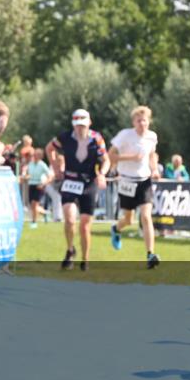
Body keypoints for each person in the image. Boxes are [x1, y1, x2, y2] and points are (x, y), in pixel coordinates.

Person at [46, 108, 110, 271]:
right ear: (73, 124)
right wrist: (55, 168)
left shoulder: (97, 139)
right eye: (77, 125)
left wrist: (102, 173)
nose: (80, 128)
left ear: (89, 123)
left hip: (89, 182)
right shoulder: (65, 137)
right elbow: (49, 148)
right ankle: (70, 249)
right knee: (68, 219)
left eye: (83, 124)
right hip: (70, 180)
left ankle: (85, 259)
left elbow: (106, 160)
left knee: (85, 225)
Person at [109, 106, 162, 269]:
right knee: (128, 220)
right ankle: (116, 229)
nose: (142, 124)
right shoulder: (125, 135)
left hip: (144, 180)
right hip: (126, 181)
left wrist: (154, 170)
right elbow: (111, 155)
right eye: (138, 121)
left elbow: (152, 155)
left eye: (144, 120)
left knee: (146, 217)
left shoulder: (152, 137)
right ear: (134, 122)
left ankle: (150, 254)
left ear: (148, 121)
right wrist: (132, 157)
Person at [25, 147, 53, 226]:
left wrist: (43, 184)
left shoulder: (42, 165)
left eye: (37, 155)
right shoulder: (30, 164)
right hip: (31, 185)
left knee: (34, 204)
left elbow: (50, 176)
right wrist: (26, 177)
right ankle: (45, 213)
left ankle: (34, 222)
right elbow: (28, 174)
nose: (35, 156)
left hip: (39, 186)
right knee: (32, 205)